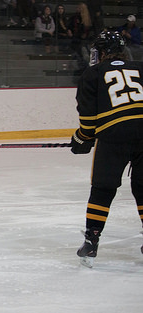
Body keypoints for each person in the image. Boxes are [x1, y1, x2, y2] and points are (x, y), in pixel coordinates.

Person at [70, 31, 143, 268]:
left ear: (101, 52)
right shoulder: (140, 67)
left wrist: (81, 139)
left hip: (114, 136)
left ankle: (91, 241)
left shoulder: (93, 73)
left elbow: (89, 121)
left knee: (103, 188)